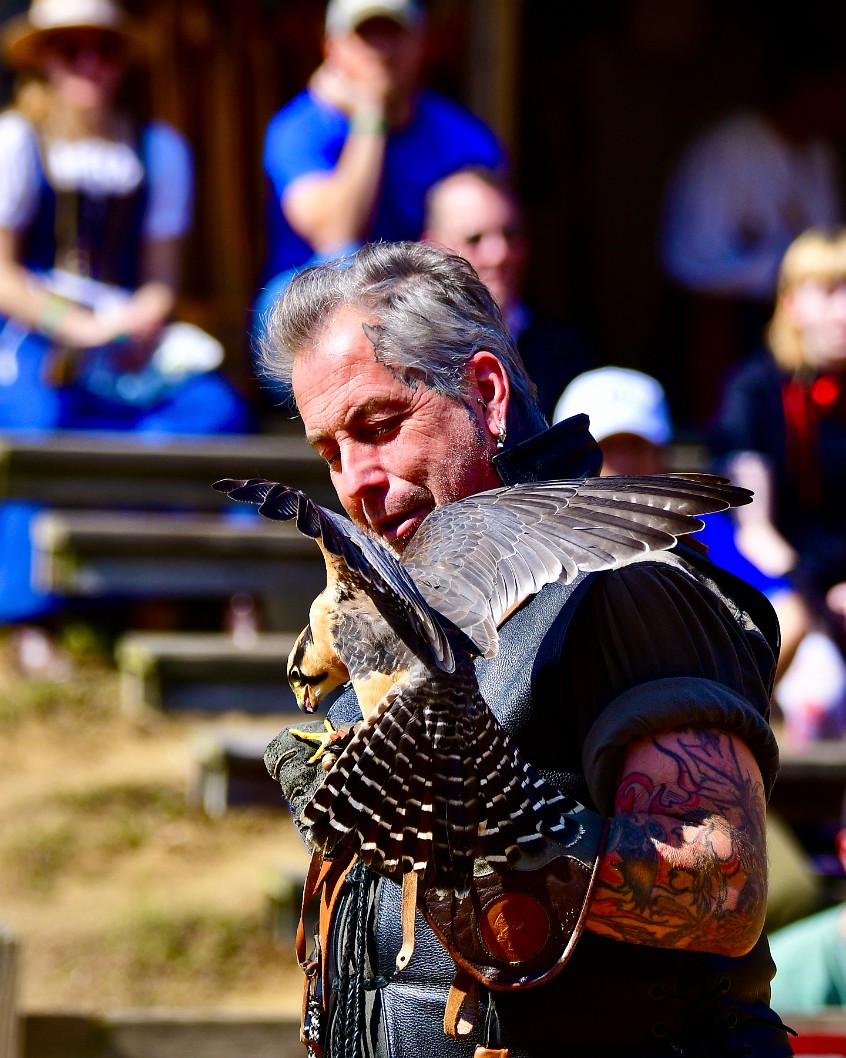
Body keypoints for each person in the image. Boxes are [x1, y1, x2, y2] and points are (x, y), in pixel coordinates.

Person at [255, 240, 792, 1056]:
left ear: (486, 392)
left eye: (379, 424)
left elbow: (723, 889)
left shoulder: (629, 591)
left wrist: (490, 839)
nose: (357, 478)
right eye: (330, 451)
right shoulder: (386, 629)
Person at [0, 0, 254, 631]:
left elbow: (160, 276)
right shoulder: (18, 140)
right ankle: (30, 610)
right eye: (71, 50)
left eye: (103, 49)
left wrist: (142, 319)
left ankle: (168, 587)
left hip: (123, 343)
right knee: (37, 422)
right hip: (35, 336)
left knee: (212, 412)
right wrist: (75, 326)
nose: (90, 65)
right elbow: (5, 274)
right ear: (45, 61)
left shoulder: (156, 148)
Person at [553, 364, 825, 932]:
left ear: (659, 456)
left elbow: (790, 613)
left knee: (783, 891)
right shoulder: (541, 537)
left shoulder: (697, 528)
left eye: (634, 449)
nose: (619, 466)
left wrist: (727, 692)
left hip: (691, 761)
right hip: (568, 768)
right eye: (601, 448)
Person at [659, 34, 846, 430]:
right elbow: (692, 262)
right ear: (806, 85)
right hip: (730, 319)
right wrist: (776, 272)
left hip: (806, 313)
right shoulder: (729, 148)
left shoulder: (819, 155)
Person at [259, 0, 505, 290]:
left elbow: (494, 237)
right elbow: (336, 238)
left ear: (422, 44)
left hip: (423, 299)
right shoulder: (298, 130)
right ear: (331, 47)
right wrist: (370, 116)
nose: (382, 51)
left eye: (394, 34)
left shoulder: (464, 138)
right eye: (366, 35)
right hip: (311, 302)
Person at [710, 227, 846, 743]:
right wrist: (819, 595)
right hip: (782, 587)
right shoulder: (756, 391)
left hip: (835, 588)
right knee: (820, 695)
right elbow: (757, 534)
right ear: (790, 303)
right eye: (830, 292)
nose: (844, 310)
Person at [422, 166, 594, 423]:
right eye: (475, 238)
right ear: (433, 249)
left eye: (510, 234)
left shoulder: (564, 351)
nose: (500, 253)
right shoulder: (412, 356)